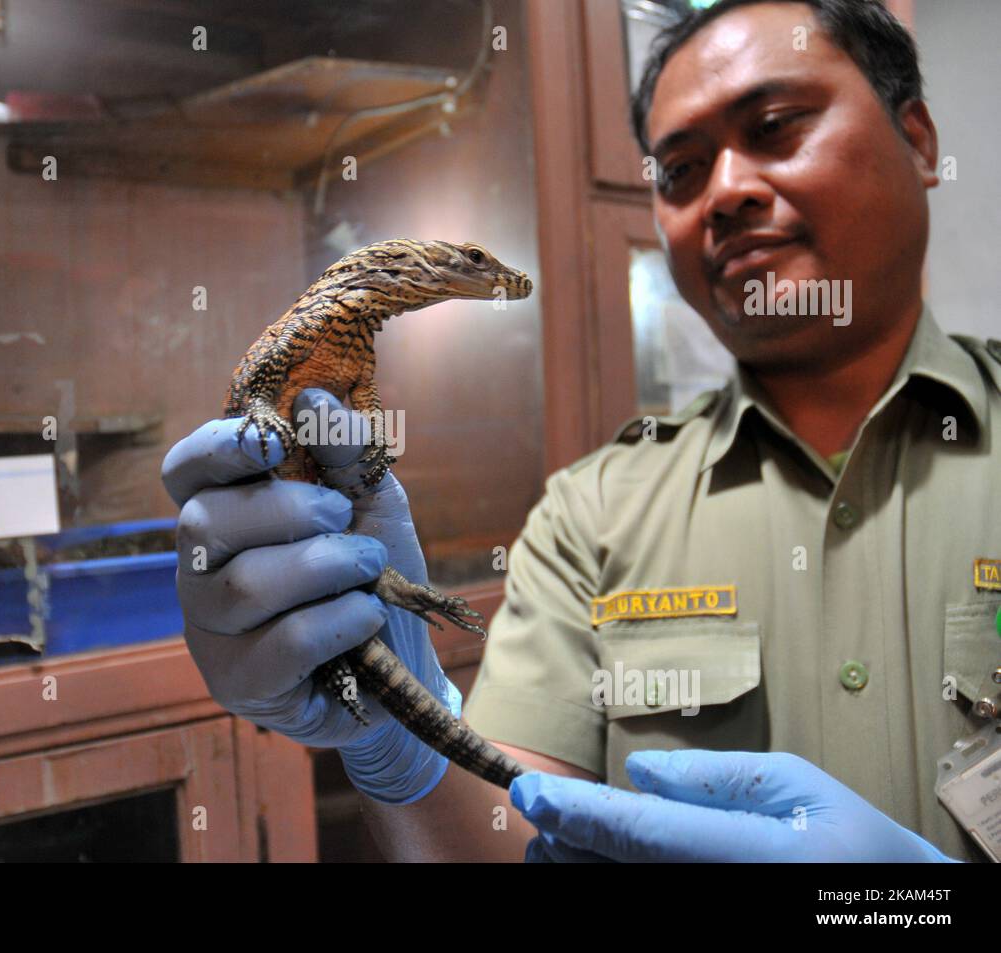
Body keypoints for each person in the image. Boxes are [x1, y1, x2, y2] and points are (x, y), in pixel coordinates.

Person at [160, 0, 1000, 862]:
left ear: (921, 140)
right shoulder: (588, 511)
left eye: (777, 125)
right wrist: (398, 751)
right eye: (679, 169)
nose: (727, 191)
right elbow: (511, 825)